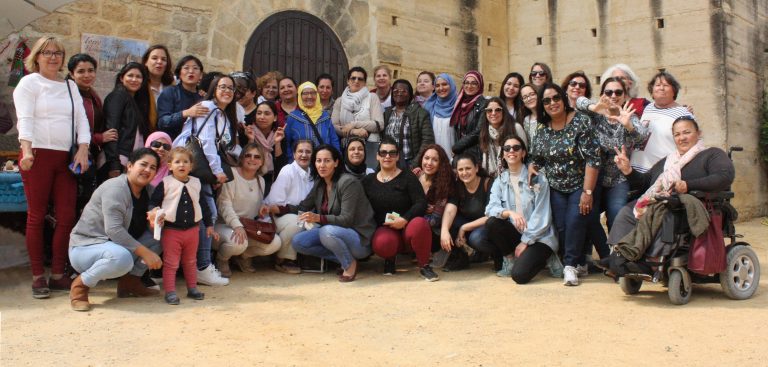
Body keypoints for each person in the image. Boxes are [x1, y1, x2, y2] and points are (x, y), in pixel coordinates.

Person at [13, 36, 91, 298]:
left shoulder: (70, 86)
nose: (53, 57)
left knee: (67, 216)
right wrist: (26, 151)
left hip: (65, 159)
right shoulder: (29, 83)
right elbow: (25, 119)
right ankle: (38, 276)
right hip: (36, 155)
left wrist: (83, 148)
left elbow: (81, 120)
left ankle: (58, 273)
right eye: (47, 52)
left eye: (58, 52)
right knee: (36, 216)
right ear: (36, 56)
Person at [608, 117, 735, 258]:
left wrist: (688, 185)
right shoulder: (669, 161)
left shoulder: (712, 154)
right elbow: (645, 183)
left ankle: (652, 260)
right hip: (660, 201)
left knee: (661, 214)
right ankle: (619, 258)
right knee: (626, 212)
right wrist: (628, 170)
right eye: (677, 134)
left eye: (686, 132)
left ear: (698, 133)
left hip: (689, 206)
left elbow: (724, 177)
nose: (682, 138)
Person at [69, 148, 163, 311]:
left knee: (160, 237)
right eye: (143, 164)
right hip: (85, 248)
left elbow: (147, 224)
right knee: (123, 258)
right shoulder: (115, 188)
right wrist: (145, 253)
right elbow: (114, 230)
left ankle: (130, 284)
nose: (147, 170)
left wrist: (156, 220)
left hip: (116, 248)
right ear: (130, 166)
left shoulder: (149, 191)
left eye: (153, 168)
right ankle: (80, 287)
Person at [529, 83, 601, 286]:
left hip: (580, 183)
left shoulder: (581, 121)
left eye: (556, 98)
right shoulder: (542, 129)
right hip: (556, 187)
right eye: (546, 100)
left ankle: (569, 266)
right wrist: (531, 167)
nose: (552, 103)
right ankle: (579, 262)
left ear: (563, 98)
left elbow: (593, 159)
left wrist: (587, 191)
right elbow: (537, 157)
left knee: (575, 222)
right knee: (562, 227)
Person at [173, 74, 241, 287]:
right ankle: (202, 268)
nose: (227, 91)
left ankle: (199, 266)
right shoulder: (207, 107)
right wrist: (217, 171)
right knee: (207, 213)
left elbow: (226, 145)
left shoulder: (223, 114)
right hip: (193, 164)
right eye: (222, 86)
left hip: (201, 168)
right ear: (214, 88)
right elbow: (206, 142)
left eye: (231, 88)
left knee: (203, 216)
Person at [291, 144, 376, 282]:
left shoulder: (348, 182)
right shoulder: (320, 183)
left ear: (336, 162)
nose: (322, 165)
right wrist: (277, 208)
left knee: (326, 231)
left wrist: (318, 217)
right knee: (298, 242)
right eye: (318, 161)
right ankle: (344, 259)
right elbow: (304, 206)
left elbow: (346, 219)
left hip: (359, 239)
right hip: (334, 233)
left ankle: (349, 264)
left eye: (327, 160)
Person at [575, 77, 648, 229]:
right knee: (588, 216)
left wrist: (628, 126)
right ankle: (598, 250)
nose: (613, 96)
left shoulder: (629, 116)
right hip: (594, 176)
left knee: (616, 214)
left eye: (618, 92)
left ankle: (617, 249)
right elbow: (579, 101)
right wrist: (594, 107)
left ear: (624, 96)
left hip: (618, 178)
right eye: (609, 92)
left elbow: (642, 138)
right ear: (602, 95)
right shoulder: (596, 114)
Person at [364, 138, 439, 281]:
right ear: (377, 156)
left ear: (398, 156)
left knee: (420, 224)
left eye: (392, 153)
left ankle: (424, 265)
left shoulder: (407, 177)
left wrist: (404, 219)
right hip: (385, 227)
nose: (387, 156)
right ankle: (390, 259)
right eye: (384, 153)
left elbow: (420, 203)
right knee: (382, 243)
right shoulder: (368, 181)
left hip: (407, 225)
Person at [485, 136, 559, 283]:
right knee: (492, 223)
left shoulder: (538, 179)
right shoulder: (500, 180)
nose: (511, 151)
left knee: (519, 276)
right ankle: (510, 259)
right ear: (503, 155)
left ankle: (548, 257)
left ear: (523, 153)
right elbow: (490, 208)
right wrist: (509, 212)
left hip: (539, 236)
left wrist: (525, 241)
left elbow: (542, 216)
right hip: (516, 232)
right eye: (507, 148)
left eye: (516, 148)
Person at [149, 147, 212, 304]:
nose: (181, 165)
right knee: (171, 263)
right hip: (172, 230)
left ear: (191, 166)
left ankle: (192, 288)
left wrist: (209, 224)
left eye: (185, 162)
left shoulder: (196, 183)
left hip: (193, 230)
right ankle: (170, 291)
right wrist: (154, 212)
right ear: (170, 165)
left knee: (191, 261)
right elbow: (153, 202)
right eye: (177, 162)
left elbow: (204, 205)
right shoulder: (165, 183)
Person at [214, 143, 283, 276]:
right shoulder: (231, 175)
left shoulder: (261, 180)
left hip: (247, 227)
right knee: (238, 242)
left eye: (257, 157)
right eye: (248, 155)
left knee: (275, 242)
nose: (252, 159)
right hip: (224, 225)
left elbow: (252, 207)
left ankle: (243, 257)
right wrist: (237, 226)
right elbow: (224, 205)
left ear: (262, 161)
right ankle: (221, 259)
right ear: (242, 158)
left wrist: (262, 210)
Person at [67, 53, 111, 208]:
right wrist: (98, 138)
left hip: (91, 154)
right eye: (81, 71)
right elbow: (70, 129)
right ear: (72, 74)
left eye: (91, 70)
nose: (87, 75)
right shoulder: (68, 95)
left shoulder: (92, 94)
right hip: (73, 155)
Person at [264, 140, 315, 274]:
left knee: (308, 221)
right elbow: (275, 205)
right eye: (300, 151)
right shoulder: (288, 170)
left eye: (308, 152)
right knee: (298, 221)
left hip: (298, 214)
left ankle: (303, 257)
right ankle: (282, 259)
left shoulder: (312, 174)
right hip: (275, 216)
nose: (304, 155)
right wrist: (295, 210)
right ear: (293, 154)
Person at [630, 71, 693, 173]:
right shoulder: (648, 108)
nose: (661, 88)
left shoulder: (683, 114)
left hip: (661, 174)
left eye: (666, 85)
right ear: (652, 91)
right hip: (636, 172)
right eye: (657, 85)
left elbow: (690, 146)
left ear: (674, 91)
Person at [439, 153, 492, 272]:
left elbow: (491, 216)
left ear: (476, 168)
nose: (464, 172)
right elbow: (450, 209)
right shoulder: (458, 186)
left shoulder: (488, 183)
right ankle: (459, 258)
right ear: (456, 172)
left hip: (487, 225)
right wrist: (444, 231)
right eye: (460, 169)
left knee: (476, 238)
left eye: (468, 168)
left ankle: (496, 254)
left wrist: (464, 228)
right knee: (447, 221)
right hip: (469, 223)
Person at [102, 62, 151, 179]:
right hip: (118, 160)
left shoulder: (135, 100)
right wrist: (114, 164)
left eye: (138, 77)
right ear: (121, 78)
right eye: (130, 76)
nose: (134, 79)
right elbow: (111, 131)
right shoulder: (118, 96)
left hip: (129, 160)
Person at [332, 66, 385, 167]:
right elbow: (334, 126)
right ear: (348, 81)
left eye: (360, 79)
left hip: (369, 147)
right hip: (346, 148)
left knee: (368, 176)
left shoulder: (372, 97)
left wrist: (354, 124)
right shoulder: (340, 101)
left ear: (364, 82)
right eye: (353, 78)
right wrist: (353, 131)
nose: (356, 81)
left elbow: (379, 124)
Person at [382, 79, 435, 168]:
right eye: (396, 91)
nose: (399, 93)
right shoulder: (387, 113)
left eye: (404, 91)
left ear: (410, 94)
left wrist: (414, 164)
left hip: (409, 163)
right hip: (388, 161)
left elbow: (427, 141)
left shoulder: (420, 113)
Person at [285, 81, 341, 159]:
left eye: (313, 93)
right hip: (301, 165)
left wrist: (337, 159)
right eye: (305, 93)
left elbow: (334, 140)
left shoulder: (325, 116)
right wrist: (291, 162)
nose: (309, 96)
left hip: (323, 164)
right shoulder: (292, 118)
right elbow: (287, 144)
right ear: (300, 96)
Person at [242, 100, 287, 193]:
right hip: (250, 179)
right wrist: (251, 139)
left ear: (275, 118)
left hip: (272, 180)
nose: (262, 117)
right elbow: (243, 161)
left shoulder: (279, 134)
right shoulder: (247, 131)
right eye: (259, 113)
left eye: (267, 114)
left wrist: (277, 142)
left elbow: (281, 166)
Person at [157, 55, 205, 140]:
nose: (191, 71)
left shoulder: (203, 97)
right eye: (186, 68)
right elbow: (162, 122)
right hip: (172, 145)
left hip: (197, 147)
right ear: (179, 73)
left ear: (201, 75)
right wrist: (186, 113)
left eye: (195, 68)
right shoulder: (170, 92)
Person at [478, 96, 527, 177]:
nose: (493, 113)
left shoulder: (516, 128)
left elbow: (524, 153)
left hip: (515, 175)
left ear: (504, 111)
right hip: (491, 177)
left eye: (498, 110)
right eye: (489, 110)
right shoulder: (484, 131)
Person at [451, 70, 487, 160]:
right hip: (460, 153)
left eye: (474, 83)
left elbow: (478, 131)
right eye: (466, 83)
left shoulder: (484, 104)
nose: (469, 86)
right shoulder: (459, 103)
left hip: (475, 153)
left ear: (479, 85)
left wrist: (457, 147)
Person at [423, 73, 458, 157]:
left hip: (455, 158)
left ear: (452, 85)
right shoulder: (429, 106)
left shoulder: (459, 106)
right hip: (433, 159)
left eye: (444, 84)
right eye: (437, 85)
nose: (441, 88)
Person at [141, 45, 174, 131]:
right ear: (146, 62)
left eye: (163, 59)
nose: (159, 62)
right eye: (154, 58)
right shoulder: (139, 87)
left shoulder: (173, 88)